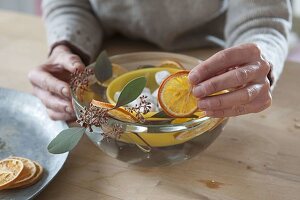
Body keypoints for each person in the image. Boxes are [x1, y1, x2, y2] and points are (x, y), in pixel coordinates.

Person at [28, 0, 292, 121]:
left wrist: (260, 65)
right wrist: (67, 46)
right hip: (105, 53)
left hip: (211, 58)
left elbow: (263, 19)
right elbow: (71, 4)